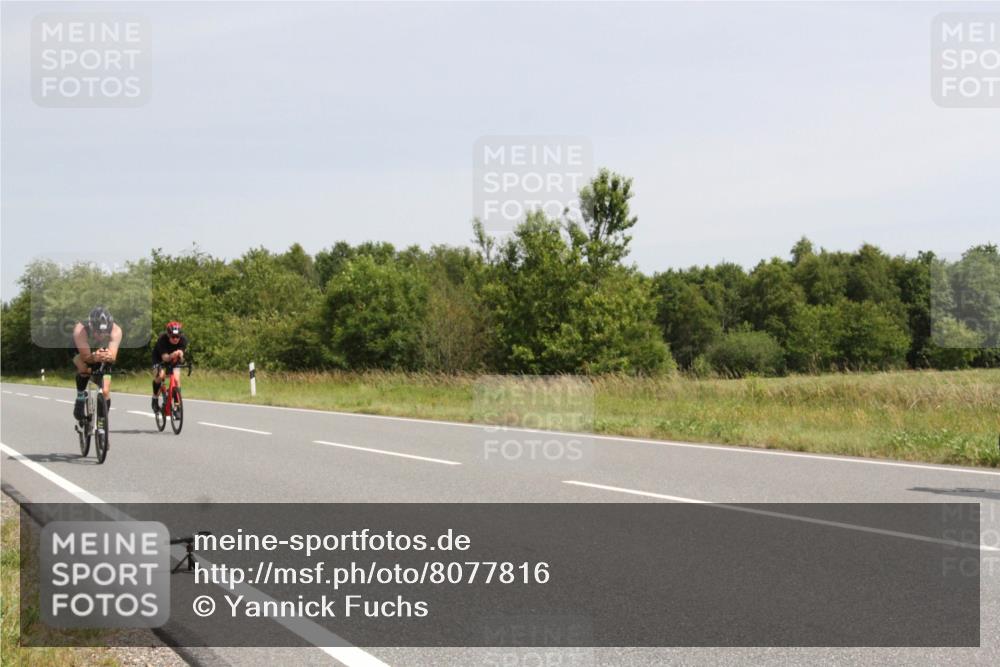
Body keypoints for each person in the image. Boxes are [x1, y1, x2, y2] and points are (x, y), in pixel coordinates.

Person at [72, 306, 123, 420]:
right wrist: (94, 357)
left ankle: (102, 420)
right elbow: (86, 357)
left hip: (102, 351)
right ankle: (80, 396)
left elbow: (112, 356)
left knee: (105, 391)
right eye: (98, 332)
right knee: (84, 368)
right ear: (91, 326)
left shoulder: (116, 330)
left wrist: (107, 356)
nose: (101, 335)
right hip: (82, 350)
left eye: (104, 332)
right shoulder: (80, 330)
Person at [151, 321, 188, 412]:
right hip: (159, 358)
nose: (175, 339)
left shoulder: (183, 340)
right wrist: (172, 355)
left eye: (177, 337)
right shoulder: (162, 340)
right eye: (173, 337)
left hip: (173, 358)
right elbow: (165, 358)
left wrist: (180, 354)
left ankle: (177, 405)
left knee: (176, 379)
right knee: (160, 375)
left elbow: (182, 354)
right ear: (168, 335)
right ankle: (155, 397)